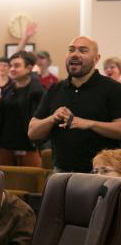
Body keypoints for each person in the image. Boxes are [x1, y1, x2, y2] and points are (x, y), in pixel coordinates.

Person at [28, 36, 121, 173]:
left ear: (96, 58)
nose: (75, 54)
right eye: (71, 50)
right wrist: (52, 118)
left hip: (100, 173)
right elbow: (32, 132)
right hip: (61, 172)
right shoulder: (55, 90)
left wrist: (89, 124)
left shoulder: (113, 89)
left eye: (83, 51)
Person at [0, 51, 44, 167]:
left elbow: (39, 118)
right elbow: (0, 116)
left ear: (28, 68)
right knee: (1, 182)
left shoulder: (36, 90)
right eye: (11, 66)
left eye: (17, 66)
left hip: (28, 146)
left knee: (29, 183)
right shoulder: (8, 89)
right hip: (4, 146)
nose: (12, 69)